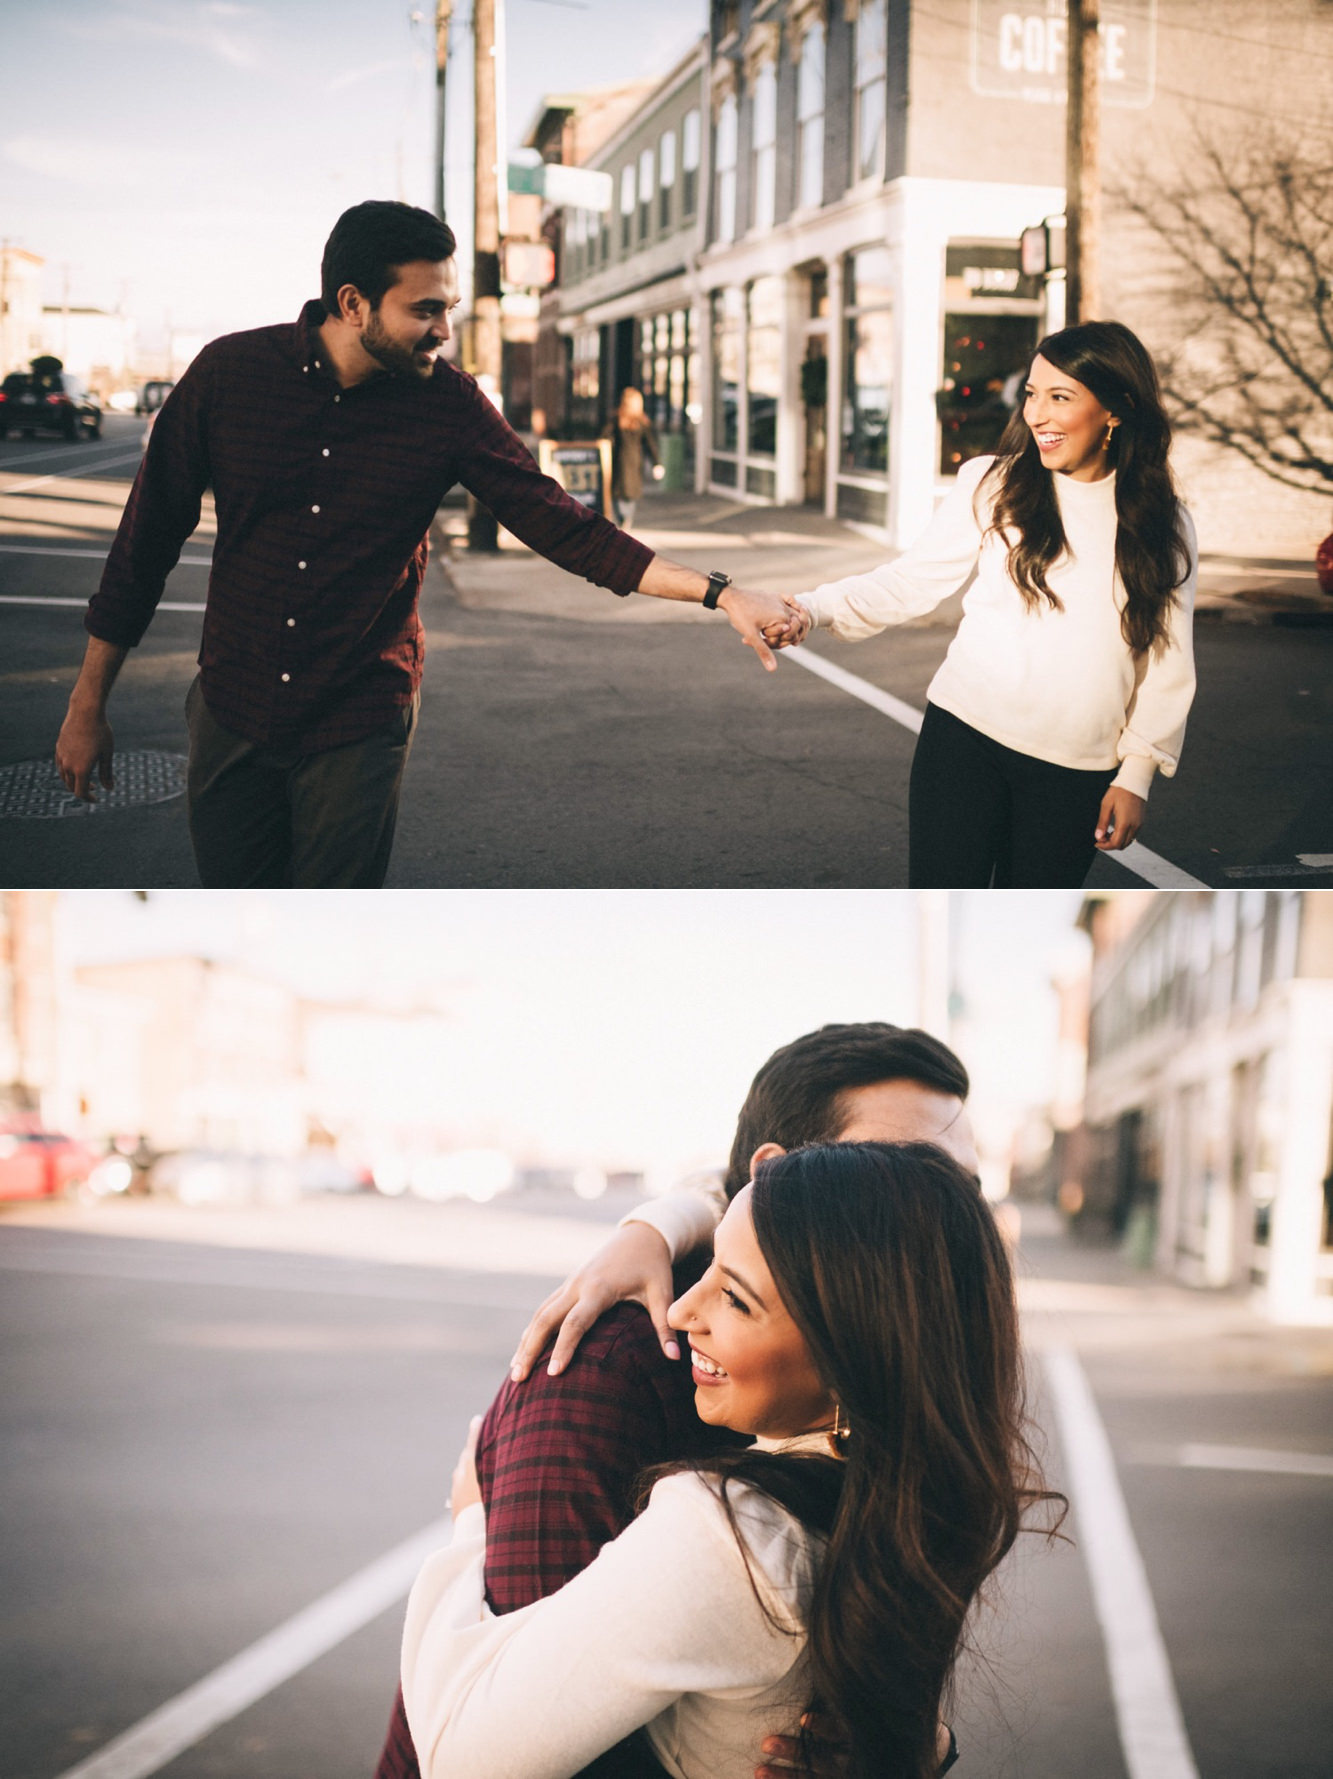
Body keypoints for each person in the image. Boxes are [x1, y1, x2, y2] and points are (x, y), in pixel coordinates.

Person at [53, 201, 792, 888]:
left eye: (449, 309)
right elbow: (143, 544)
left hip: (357, 717)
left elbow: (562, 524)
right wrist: (88, 705)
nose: (444, 330)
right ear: (352, 303)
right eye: (426, 310)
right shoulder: (228, 376)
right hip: (231, 706)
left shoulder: (448, 406)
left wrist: (719, 593)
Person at [373, 1021, 977, 1779]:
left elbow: (471, 1752)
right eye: (897, 1165)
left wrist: (469, 1519)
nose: (940, 1211)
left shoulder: (746, 1523)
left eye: (958, 1184)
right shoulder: (616, 1369)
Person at [780, 321, 1198, 889]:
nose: (1037, 414)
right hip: (963, 743)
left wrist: (1138, 775)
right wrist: (810, 609)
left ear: (1115, 411)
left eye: (1060, 397)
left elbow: (1168, 660)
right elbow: (912, 581)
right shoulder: (994, 484)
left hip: (1077, 770)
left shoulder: (1162, 523)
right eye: (1031, 394)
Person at [602, 387, 662, 531]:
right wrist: (656, 462)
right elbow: (650, 444)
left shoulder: (618, 419)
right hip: (632, 460)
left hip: (620, 459)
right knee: (629, 493)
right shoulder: (640, 421)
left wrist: (656, 462)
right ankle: (626, 519)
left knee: (619, 491)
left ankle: (623, 519)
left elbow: (605, 437)